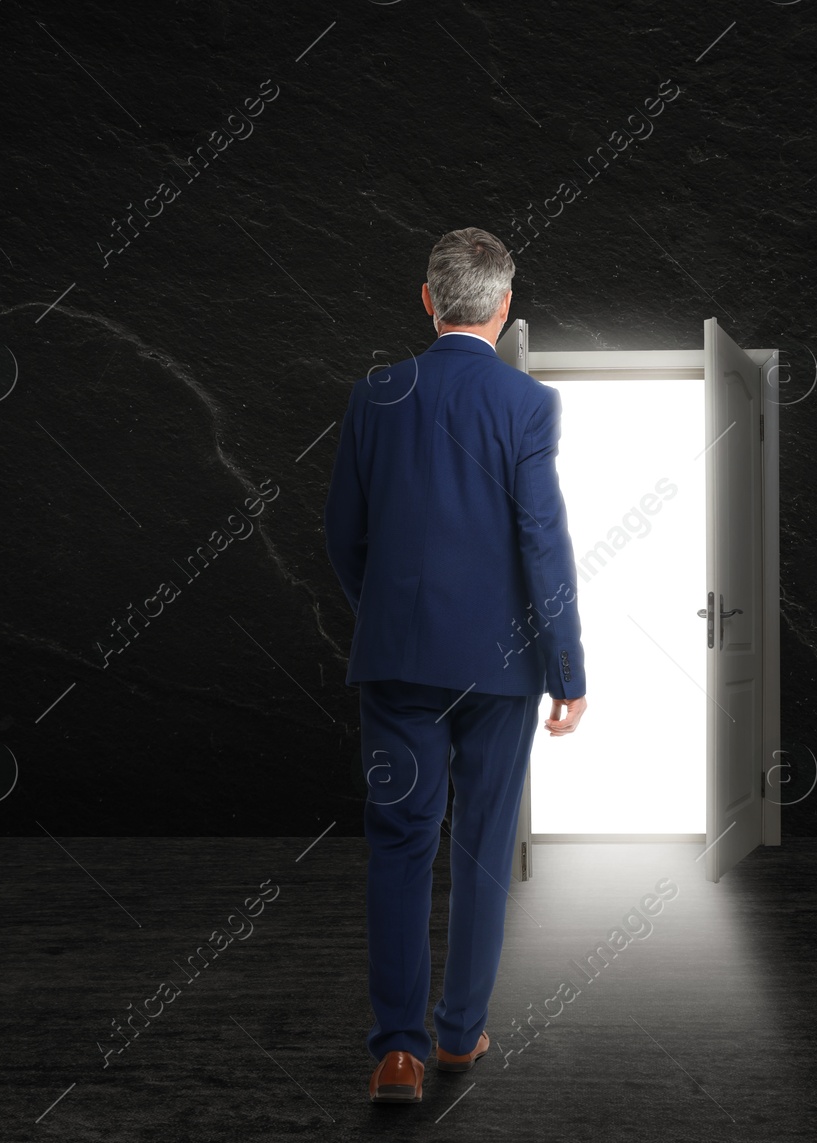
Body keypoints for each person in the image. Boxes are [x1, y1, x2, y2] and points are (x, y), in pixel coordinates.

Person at [324, 226, 589, 1103]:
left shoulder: (376, 395)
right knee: (480, 849)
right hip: (502, 667)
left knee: (398, 845)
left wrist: (392, 617)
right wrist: (568, 668)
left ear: (429, 298)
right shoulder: (527, 403)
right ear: (504, 305)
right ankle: (460, 1035)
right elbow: (541, 541)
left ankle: (395, 1052)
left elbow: (343, 537)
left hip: (397, 658)